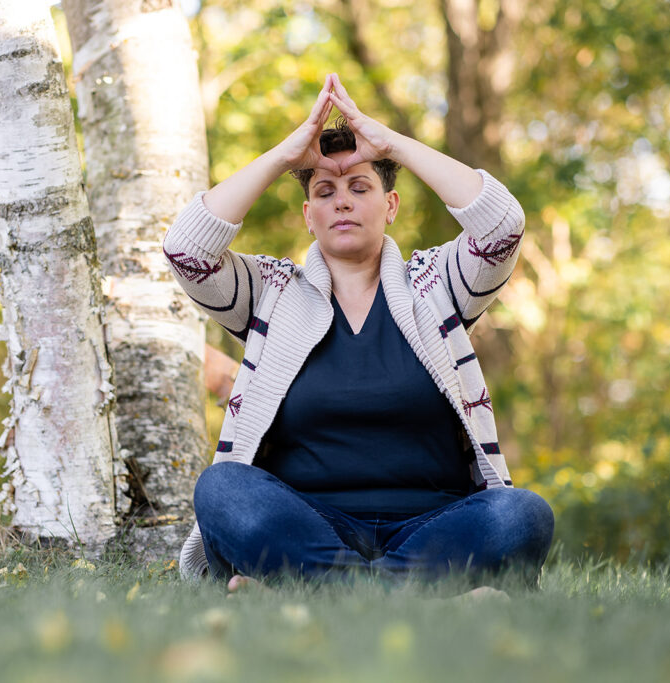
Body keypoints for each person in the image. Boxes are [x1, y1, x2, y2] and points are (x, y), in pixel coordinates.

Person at [164, 73, 553, 589]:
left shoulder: (436, 285)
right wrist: (284, 156)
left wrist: (392, 145)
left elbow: (502, 226)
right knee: (222, 489)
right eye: (325, 191)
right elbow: (186, 250)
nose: (342, 201)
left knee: (521, 514)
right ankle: (409, 593)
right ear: (309, 216)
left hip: (433, 528)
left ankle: (320, 590)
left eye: (360, 187)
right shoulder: (271, 293)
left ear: (390, 207)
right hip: (307, 526)